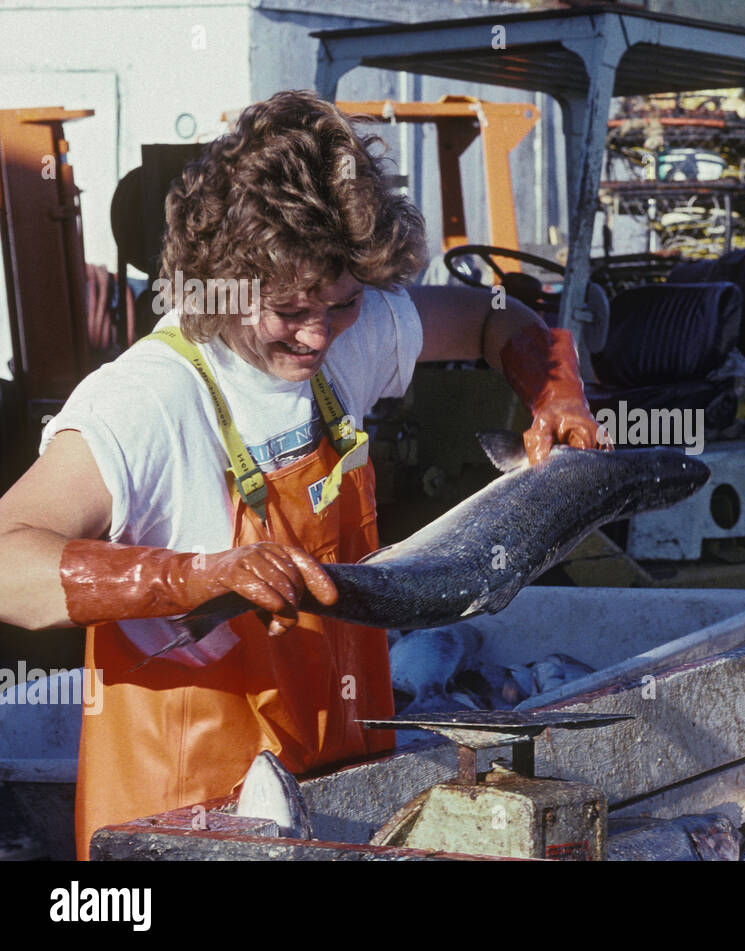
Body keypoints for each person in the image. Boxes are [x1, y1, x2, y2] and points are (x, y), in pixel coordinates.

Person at [0, 90, 608, 860]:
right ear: (222, 279)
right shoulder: (146, 401)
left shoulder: (343, 343)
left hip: (342, 806)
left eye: (343, 303)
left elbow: (495, 319)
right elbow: (6, 559)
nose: (319, 334)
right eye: (289, 310)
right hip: (180, 831)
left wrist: (552, 383)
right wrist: (192, 575)